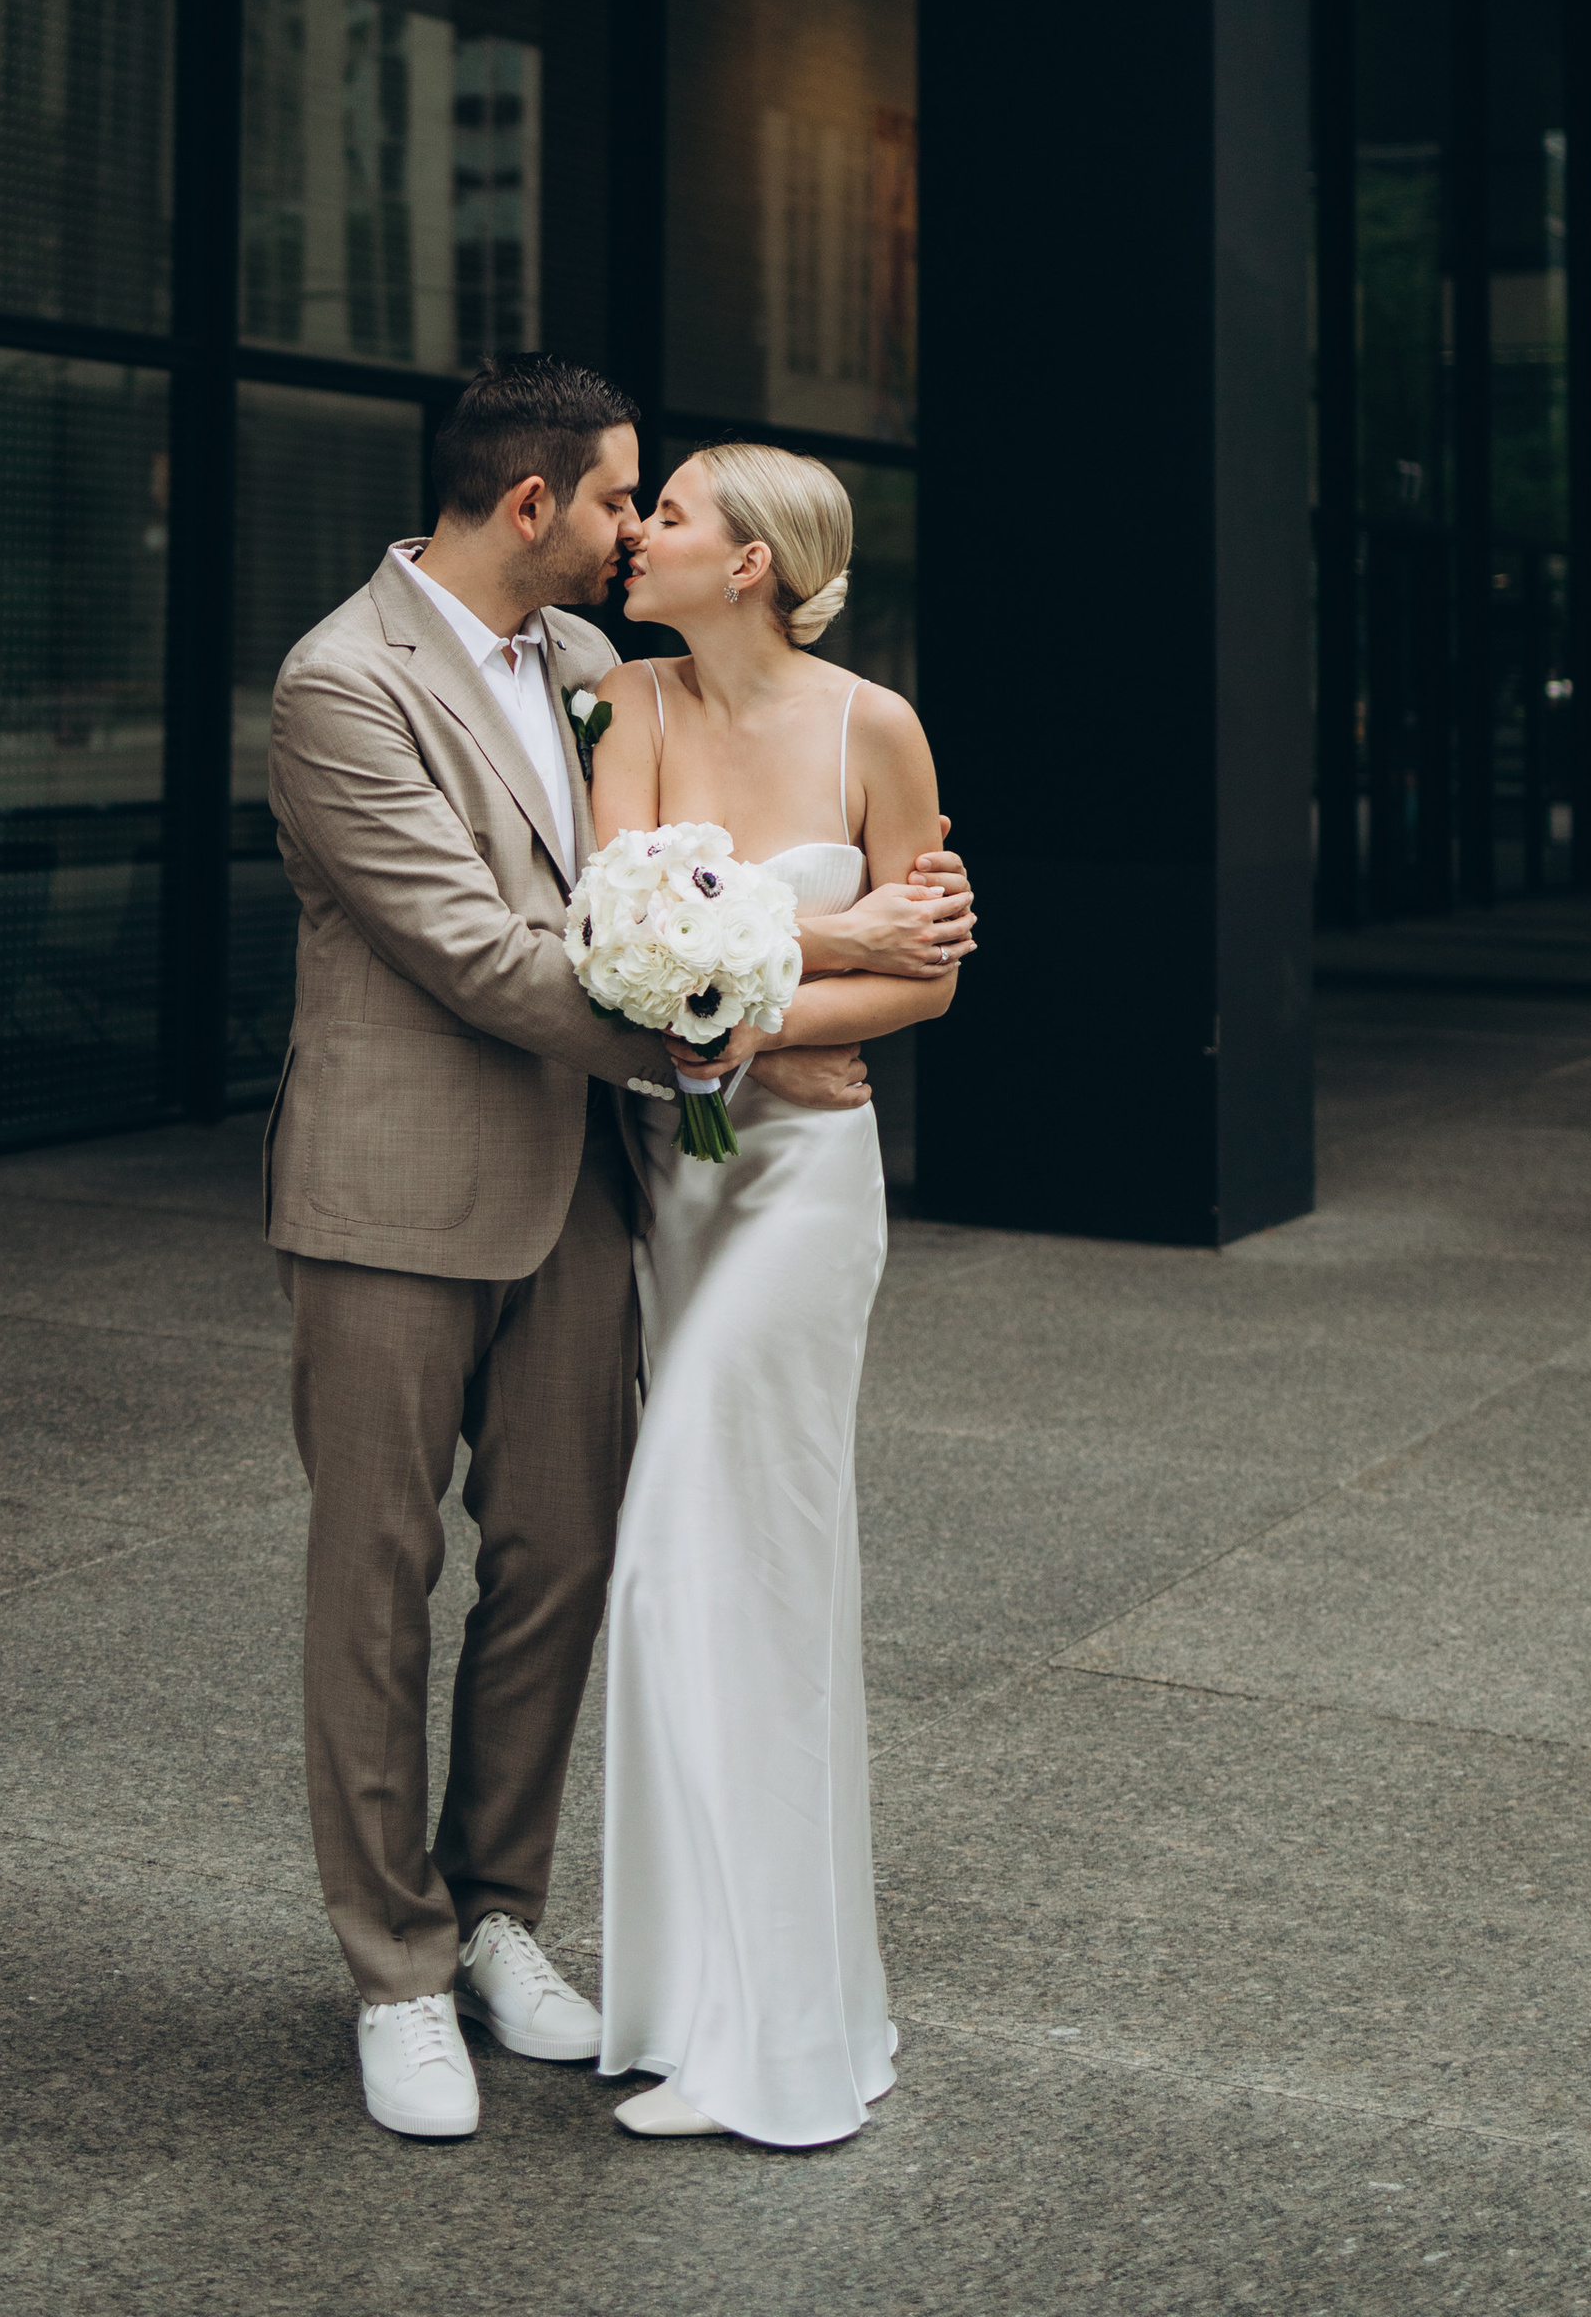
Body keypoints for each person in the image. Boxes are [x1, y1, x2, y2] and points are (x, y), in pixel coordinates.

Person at [262, 361, 971, 2142]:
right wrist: (768, 989)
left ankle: (498, 1915)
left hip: (592, 1191)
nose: (630, 529)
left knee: (566, 1559)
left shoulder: (595, 673)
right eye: (614, 501)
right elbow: (487, 952)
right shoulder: (341, 683)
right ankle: (399, 1973)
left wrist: (820, 949)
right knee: (376, 1576)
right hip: (396, 1194)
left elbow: (696, 883)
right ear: (532, 508)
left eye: (658, 508)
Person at [591, 442, 971, 2146]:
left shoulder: (873, 724)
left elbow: (936, 983)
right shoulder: (632, 709)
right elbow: (617, 941)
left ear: (748, 559)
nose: (633, 534)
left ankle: (783, 2048)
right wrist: (843, 942)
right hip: (682, 1187)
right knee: (730, 1578)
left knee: (706, 1547)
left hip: (812, 1191)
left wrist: (757, 1013)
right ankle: (708, 2015)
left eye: (665, 513)